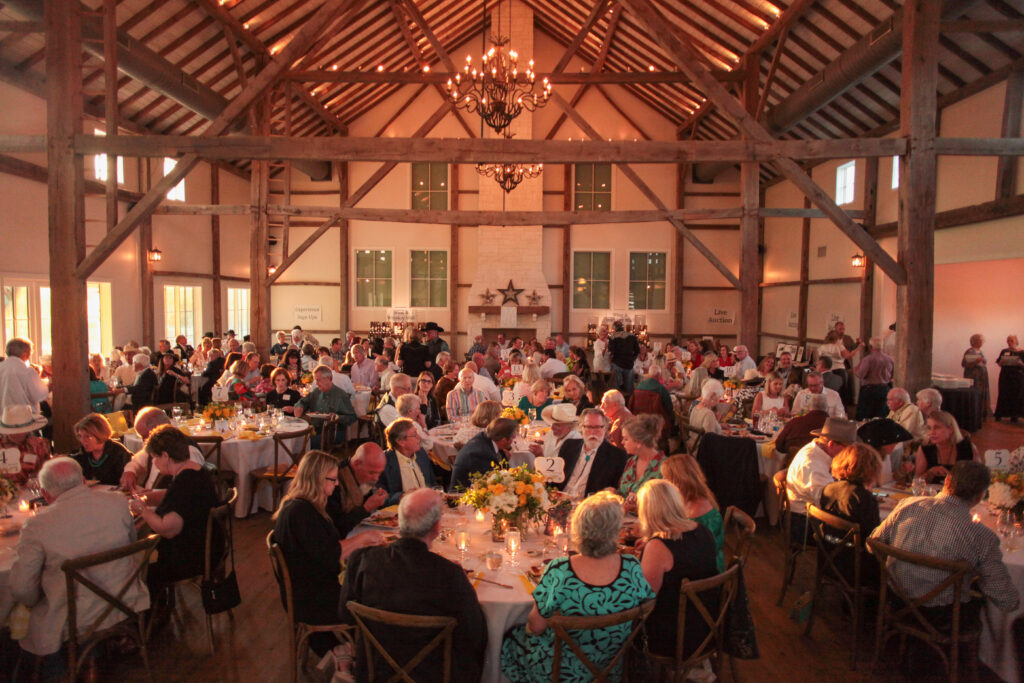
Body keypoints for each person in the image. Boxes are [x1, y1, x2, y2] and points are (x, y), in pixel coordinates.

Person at [500, 491, 655, 682]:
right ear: (616, 529)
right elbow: (647, 603)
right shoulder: (631, 566)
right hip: (612, 668)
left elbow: (536, 625)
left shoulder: (561, 570)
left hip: (560, 672)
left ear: (578, 529)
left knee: (508, 639)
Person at [10, 458, 148, 667]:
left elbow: (23, 590)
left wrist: (34, 600)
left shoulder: (37, 525)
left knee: (25, 618)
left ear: (45, 494)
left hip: (76, 616)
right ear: (84, 480)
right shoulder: (118, 503)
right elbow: (130, 544)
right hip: (124, 601)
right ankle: (91, 657)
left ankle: (54, 672)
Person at [339, 489, 487, 682]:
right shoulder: (449, 575)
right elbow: (474, 636)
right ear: (436, 528)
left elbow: (345, 614)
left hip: (376, 669)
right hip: (435, 673)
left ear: (399, 523)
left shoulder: (362, 560)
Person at [870, 461, 1019, 628]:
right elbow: (1006, 600)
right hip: (942, 617)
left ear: (947, 481)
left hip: (895, 600)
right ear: (980, 496)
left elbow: (872, 544)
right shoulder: (982, 536)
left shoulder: (908, 505)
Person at [272, 450, 383, 661]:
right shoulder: (300, 513)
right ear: (315, 479)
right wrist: (362, 539)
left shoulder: (302, 505)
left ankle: (346, 652)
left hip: (310, 588)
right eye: (333, 479)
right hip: (311, 600)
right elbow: (329, 555)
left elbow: (323, 549)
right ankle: (368, 658)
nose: (337, 484)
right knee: (376, 600)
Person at [129, 425, 219, 596]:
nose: (154, 463)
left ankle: (151, 617)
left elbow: (168, 529)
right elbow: (178, 497)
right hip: (211, 546)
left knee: (136, 564)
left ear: (165, 456)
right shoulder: (196, 470)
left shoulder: (184, 482)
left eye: (155, 458)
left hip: (191, 556)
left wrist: (143, 510)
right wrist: (150, 496)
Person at [637, 479, 719, 661]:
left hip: (675, 637)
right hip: (707, 626)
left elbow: (644, 600)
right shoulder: (703, 531)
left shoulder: (658, 547)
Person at [818, 443, 883, 585]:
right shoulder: (864, 498)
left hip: (828, 554)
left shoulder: (829, 489)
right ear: (870, 469)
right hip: (854, 564)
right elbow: (873, 538)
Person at [786, 417, 857, 543]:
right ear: (831, 444)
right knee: (860, 536)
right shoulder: (812, 463)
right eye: (848, 448)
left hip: (811, 517)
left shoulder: (820, 451)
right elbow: (827, 502)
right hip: (805, 525)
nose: (850, 452)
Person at [119, 407, 206, 500]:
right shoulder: (156, 445)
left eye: (145, 437)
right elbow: (137, 461)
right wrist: (130, 471)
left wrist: (146, 497)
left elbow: (184, 493)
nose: (144, 441)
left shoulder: (188, 451)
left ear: (160, 429)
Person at [660, 454, 724, 571]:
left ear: (678, 480)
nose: (663, 481)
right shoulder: (692, 496)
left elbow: (688, 549)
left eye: (666, 478)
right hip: (698, 557)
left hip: (706, 569)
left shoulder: (697, 510)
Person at [557, 409, 628, 499]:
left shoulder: (617, 456)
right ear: (581, 428)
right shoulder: (569, 446)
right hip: (559, 500)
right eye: (589, 427)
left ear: (605, 428)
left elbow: (615, 492)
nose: (593, 432)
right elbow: (555, 476)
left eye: (598, 427)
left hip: (588, 505)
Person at [326, 442, 388, 537]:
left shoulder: (362, 474)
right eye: (372, 473)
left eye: (379, 473)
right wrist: (367, 507)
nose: (376, 478)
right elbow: (336, 526)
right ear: (357, 463)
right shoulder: (334, 480)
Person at [294, 365, 357, 449]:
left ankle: (308, 460)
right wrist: (299, 407)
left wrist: (337, 417)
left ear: (329, 378)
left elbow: (352, 417)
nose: (316, 383)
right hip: (315, 428)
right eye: (316, 380)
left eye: (318, 380)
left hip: (333, 432)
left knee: (306, 443)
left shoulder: (341, 395)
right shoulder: (316, 392)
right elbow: (303, 402)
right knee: (296, 439)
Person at [378, 418, 436, 505]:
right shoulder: (384, 462)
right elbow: (379, 499)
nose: (419, 437)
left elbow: (432, 483)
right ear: (401, 442)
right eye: (414, 435)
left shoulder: (421, 454)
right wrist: (402, 496)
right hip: (401, 511)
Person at [450, 417, 516, 491]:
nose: (514, 439)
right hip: (461, 497)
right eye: (513, 437)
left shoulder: (485, 437)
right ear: (503, 440)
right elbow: (494, 484)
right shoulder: (482, 454)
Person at [913, 410, 979, 484]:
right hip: (932, 494)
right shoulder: (925, 449)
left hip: (961, 493)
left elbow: (979, 477)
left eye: (937, 428)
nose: (932, 432)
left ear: (950, 429)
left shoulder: (967, 448)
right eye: (929, 428)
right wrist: (930, 473)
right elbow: (917, 482)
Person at [70, 412, 132, 485]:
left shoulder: (118, 453)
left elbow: (125, 482)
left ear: (100, 435)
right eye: (80, 436)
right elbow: (72, 459)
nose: (82, 441)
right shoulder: (82, 453)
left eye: (88, 437)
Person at [617, 413, 666, 505]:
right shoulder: (631, 462)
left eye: (626, 439)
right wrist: (615, 492)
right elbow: (623, 492)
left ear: (639, 442)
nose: (622, 442)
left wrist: (639, 502)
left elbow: (665, 504)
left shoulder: (664, 467)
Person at [0, 404, 49, 483]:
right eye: (12, 431)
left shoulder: (40, 444)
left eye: (21, 430)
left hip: (34, 491)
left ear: (29, 430)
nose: (17, 434)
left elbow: (47, 473)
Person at [0, 338, 49, 415]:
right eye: (30, 351)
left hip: (3, 420)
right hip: (24, 419)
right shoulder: (27, 371)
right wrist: (51, 385)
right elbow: (39, 395)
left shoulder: (2, 367)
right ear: (25, 353)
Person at [854, 337, 894, 419]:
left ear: (870, 347)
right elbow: (892, 375)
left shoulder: (868, 359)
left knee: (866, 416)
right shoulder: (890, 359)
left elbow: (860, 374)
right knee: (882, 415)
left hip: (869, 390)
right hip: (884, 389)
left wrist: (855, 370)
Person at [687, 379, 724, 451]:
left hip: (692, 446)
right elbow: (711, 442)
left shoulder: (695, 408)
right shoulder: (708, 414)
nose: (718, 401)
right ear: (713, 395)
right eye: (719, 397)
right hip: (702, 451)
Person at [995, 334, 1024, 422]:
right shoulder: (1004, 351)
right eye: (1008, 340)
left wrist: (1020, 363)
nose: (1009, 342)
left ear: (1016, 341)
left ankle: (1014, 415)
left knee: (1016, 395)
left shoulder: (1022, 352)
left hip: (1017, 377)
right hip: (1005, 376)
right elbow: (999, 363)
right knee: (1004, 393)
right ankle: (1000, 414)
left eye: (1011, 340)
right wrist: (1002, 362)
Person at [961, 333, 991, 417]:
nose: (982, 342)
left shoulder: (981, 351)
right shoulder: (970, 351)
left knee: (982, 392)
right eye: (980, 340)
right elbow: (964, 363)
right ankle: (974, 412)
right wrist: (975, 362)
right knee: (975, 392)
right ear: (975, 341)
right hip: (973, 376)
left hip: (982, 376)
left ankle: (982, 412)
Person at [608, 321, 641, 395]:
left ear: (615, 328)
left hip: (617, 364)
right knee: (629, 389)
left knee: (615, 390)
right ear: (623, 327)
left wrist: (611, 361)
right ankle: (629, 404)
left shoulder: (613, 337)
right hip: (629, 364)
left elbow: (611, 352)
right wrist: (632, 359)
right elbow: (637, 351)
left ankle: (616, 404)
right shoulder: (632, 336)